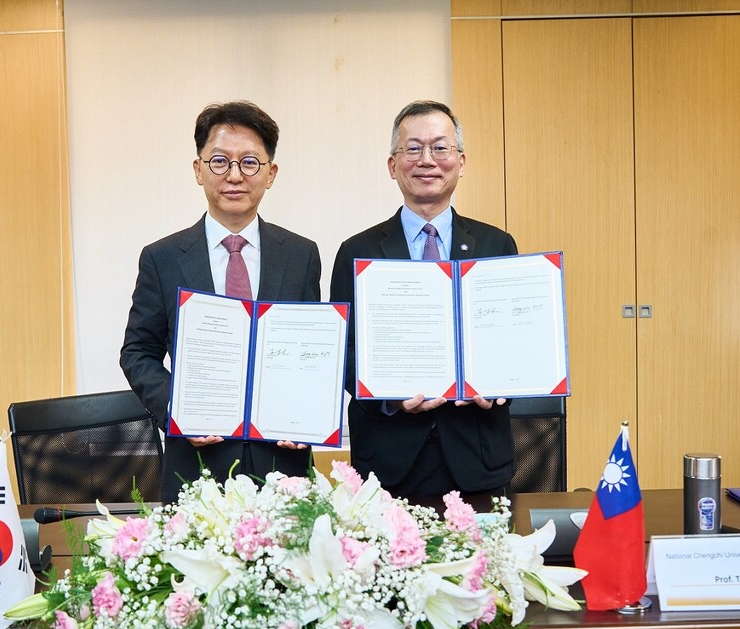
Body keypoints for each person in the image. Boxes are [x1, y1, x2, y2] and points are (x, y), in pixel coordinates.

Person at [121, 100, 320, 503]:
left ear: (271, 173)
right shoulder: (162, 258)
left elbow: (311, 351)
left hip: (284, 467)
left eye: (249, 163)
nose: (234, 176)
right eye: (219, 162)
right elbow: (138, 352)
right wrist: (178, 410)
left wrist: (308, 417)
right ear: (198, 170)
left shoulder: (301, 254)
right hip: (196, 466)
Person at [329, 100, 517, 508]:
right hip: (389, 461)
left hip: (477, 459)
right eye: (412, 149)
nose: (426, 160)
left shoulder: (496, 246)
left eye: (440, 148)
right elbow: (341, 354)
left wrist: (498, 389)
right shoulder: (357, 252)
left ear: (461, 161)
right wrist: (390, 396)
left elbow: (513, 343)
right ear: (392, 165)